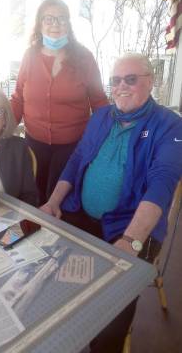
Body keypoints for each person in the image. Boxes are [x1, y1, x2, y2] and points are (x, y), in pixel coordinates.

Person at [41, 52, 182, 352]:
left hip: (128, 230)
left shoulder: (169, 125)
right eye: (115, 80)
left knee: (107, 320)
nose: (121, 86)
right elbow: (78, 159)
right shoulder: (102, 116)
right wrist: (54, 201)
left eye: (131, 79)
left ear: (150, 81)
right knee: (41, 278)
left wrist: (131, 240)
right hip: (80, 215)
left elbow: (161, 184)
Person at [10, 0, 108, 204]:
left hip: (71, 148)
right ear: (39, 24)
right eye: (49, 19)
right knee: (32, 198)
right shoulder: (30, 56)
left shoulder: (84, 58)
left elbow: (99, 103)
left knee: (59, 203)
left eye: (62, 19)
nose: (56, 24)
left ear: (69, 24)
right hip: (33, 144)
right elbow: (18, 98)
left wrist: (100, 140)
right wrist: (1, 131)